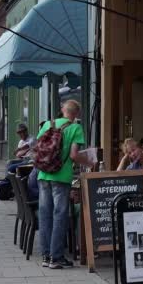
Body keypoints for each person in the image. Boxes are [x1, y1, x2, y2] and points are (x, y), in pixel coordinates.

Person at [37, 100, 94, 269]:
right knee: (60, 215)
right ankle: (57, 257)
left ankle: (46, 256)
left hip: (43, 174)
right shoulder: (76, 128)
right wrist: (90, 161)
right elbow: (74, 155)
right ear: (77, 114)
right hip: (61, 177)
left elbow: (38, 147)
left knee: (45, 214)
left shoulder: (48, 123)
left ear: (62, 110)